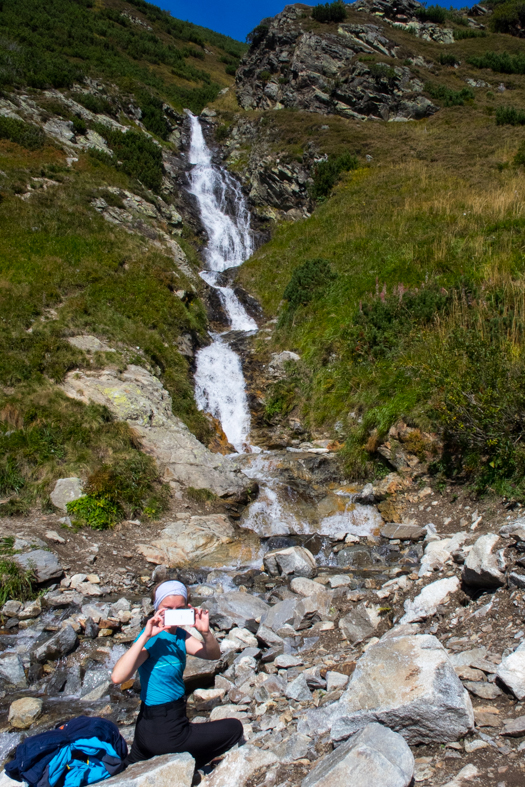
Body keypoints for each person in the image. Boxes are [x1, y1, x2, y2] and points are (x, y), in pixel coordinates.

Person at [111, 579, 243, 769]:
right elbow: (118, 677)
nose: (173, 614)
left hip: (150, 727)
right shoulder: (151, 637)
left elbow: (212, 654)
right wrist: (145, 636)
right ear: (157, 607)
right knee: (234, 728)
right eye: (167, 608)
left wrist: (205, 633)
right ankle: (183, 767)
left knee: (124, 770)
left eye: (179, 609)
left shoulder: (180, 635)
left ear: (187, 609)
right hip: (165, 729)